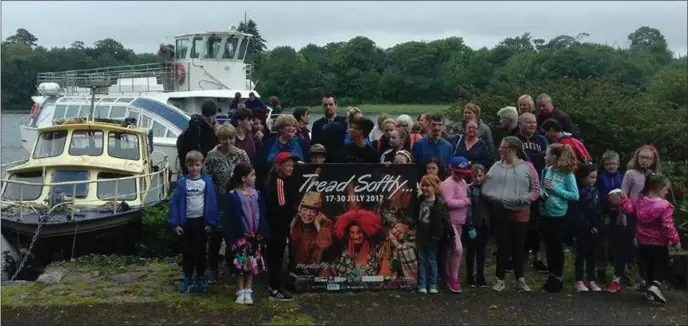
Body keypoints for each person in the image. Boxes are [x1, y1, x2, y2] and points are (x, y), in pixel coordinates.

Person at [482, 136, 540, 292]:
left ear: (513, 149)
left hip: (521, 213)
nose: (501, 150)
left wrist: (523, 200)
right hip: (501, 213)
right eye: (501, 147)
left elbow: (535, 190)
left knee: (519, 247)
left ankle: (520, 279)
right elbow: (486, 187)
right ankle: (499, 279)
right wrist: (497, 198)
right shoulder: (496, 166)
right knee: (503, 247)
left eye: (504, 147)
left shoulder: (527, 167)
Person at [613, 173, 680, 304]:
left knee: (648, 266)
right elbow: (667, 225)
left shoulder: (640, 201)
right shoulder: (664, 205)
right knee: (662, 265)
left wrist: (624, 200)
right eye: (666, 189)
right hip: (659, 243)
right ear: (658, 188)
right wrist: (675, 239)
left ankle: (650, 289)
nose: (667, 192)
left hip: (642, 241)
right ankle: (655, 286)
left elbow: (629, 210)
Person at [608, 145, 661, 293]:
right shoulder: (630, 174)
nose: (644, 161)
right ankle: (617, 278)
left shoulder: (654, 175)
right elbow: (623, 195)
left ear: (653, 160)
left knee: (645, 250)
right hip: (631, 215)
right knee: (624, 248)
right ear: (637, 157)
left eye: (648, 158)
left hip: (649, 219)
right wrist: (623, 215)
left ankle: (645, 280)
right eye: (642, 157)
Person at [202, 124, 250, 283]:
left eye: (231, 138)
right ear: (219, 139)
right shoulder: (211, 156)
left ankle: (234, 268)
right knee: (215, 236)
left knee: (235, 237)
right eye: (224, 138)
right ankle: (213, 270)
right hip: (218, 200)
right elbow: (206, 179)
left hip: (237, 201)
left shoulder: (241, 154)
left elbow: (249, 175)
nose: (228, 141)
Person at [168, 151, 219, 294]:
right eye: (191, 165)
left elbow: (212, 203)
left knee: (200, 252)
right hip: (186, 222)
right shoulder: (181, 183)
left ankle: (201, 277)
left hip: (201, 222)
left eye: (197, 165)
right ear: (186, 165)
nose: (194, 168)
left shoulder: (207, 181)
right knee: (187, 252)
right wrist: (175, 224)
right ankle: (188, 277)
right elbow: (175, 203)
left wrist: (211, 222)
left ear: (202, 165)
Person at [223, 163, 269, 305]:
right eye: (252, 175)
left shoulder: (257, 195)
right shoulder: (233, 196)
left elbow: (262, 215)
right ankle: (240, 291)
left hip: (253, 237)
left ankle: (248, 291)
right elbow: (228, 220)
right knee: (239, 266)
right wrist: (231, 240)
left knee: (251, 264)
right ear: (243, 178)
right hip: (239, 238)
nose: (255, 178)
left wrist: (262, 230)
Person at [539, 143, 580, 293]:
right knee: (549, 247)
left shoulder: (567, 174)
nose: (545, 156)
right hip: (545, 212)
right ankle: (551, 275)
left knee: (556, 247)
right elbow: (544, 188)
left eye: (548, 154)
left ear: (555, 156)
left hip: (559, 214)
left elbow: (575, 195)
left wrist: (556, 190)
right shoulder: (547, 170)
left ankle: (557, 277)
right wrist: (542, 193)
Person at [516, 112, 549, 272]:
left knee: (536, 223)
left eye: (534, 122)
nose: (533, 125)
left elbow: (545, 158)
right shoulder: (515, 140)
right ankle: (517, 255)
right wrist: (533, 158)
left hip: (537, 184)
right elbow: (515, 158)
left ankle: (537, 255)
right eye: (529, 123)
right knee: (519, 221)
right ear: (520, 124)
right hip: (519, 184)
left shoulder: (541, 140)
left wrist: (529, 158)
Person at [263, 152, 299, 301]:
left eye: (292, 165)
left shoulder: (282, 179)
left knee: (277, 256)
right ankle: (274, 288)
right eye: (287, 165)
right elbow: (282, 206)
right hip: (276, 226)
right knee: (275, 257)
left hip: (279, 225)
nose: (290, 168)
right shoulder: (278, 182)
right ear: (278, 166)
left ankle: (277, 284)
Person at [415, 174, 455, 294]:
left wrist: (450, 233)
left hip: (433, 236)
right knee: (421, 260)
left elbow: (446, 220)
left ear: (435, 187)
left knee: (432, 260)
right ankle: (422, 284)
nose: (425, 188)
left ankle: (433, 284)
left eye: (428, 186)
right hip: (421, 234)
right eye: (423, 186)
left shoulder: (440, 204)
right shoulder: (420, 200)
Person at [441, 156, 473, 293]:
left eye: (462, 172)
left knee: (452, 251)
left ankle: (450, 277)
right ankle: (452, 278)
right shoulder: (449, 183)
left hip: (460, 222)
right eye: (457, 172)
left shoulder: (463, 183)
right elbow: (448, 202)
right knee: (458, 249)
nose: (459, 175)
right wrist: (466, 201)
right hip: (450, 222)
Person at [571, 163, 604, 292]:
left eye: (595, 177)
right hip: (582, 227)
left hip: (595, 227)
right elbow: (579, 212)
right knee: (581, 254)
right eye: (591, 177)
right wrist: (586, 224)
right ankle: (579, 280)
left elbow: (598, 209)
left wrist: (597, 225)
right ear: (582, 177)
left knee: (592, 254)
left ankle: (591, 279)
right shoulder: (579, 193)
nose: (593, 180)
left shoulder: (596, 191)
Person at [595, 150, 623, 283]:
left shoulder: (622, 177)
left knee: (617, 243)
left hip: (619, 213)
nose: (611, 166)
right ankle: (601, 270)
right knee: (602, 243)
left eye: (613, 163)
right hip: (604, 212)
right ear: (604, 165)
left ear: (618, 164)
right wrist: (607, 199)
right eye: (608, 164)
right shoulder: (600, 177)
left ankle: (620, 273)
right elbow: (598, 194)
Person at [176, 100, 219, 175]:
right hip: (202, 171)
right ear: (212, 116)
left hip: (189, 170)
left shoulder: (193, 125)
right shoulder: (207, 131)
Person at [464, 164, 489, 288]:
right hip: (473, 224)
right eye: (475, 176)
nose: (478, 179)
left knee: (481, 252)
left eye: (480, 175)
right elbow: (468, 209)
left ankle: (480, 276)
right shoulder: (469, 189)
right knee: (471, 251)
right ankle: (470, 276)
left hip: (484, 224)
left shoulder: (488, 188)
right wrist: (470, 226)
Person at [311, 94, 347, 163]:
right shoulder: (317, 124)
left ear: (335, 105)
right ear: (322, 107)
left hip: (342, 162)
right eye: (325, 105)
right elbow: (314, 145)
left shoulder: (344, 122)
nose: (328, 107)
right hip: (324, 163)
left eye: (331, 104)